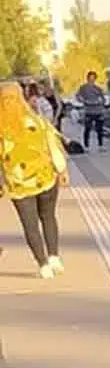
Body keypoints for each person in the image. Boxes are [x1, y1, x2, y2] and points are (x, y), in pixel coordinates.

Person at [0, 81, 69, 278]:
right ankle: (54, 256)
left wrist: (1, 184)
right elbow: (52, 146)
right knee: (48, 216)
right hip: (45, 177)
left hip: (18, 184)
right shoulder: (37, 121)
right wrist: (62, 170)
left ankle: (43, 264)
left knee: (29, 225)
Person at [76, 72, 109, 149]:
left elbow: (103, 99)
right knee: (87, 128)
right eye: (90, 78)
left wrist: (101, 102)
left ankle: (100, 145)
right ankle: (86, 145)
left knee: (99, 129)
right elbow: (78, 96)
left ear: (95, 79)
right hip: (88, 111)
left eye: (93, 78)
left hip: (98, 111)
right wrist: (83, 101)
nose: (92, 80)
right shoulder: (83, 88)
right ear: (87, 78)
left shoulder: (98, 88)